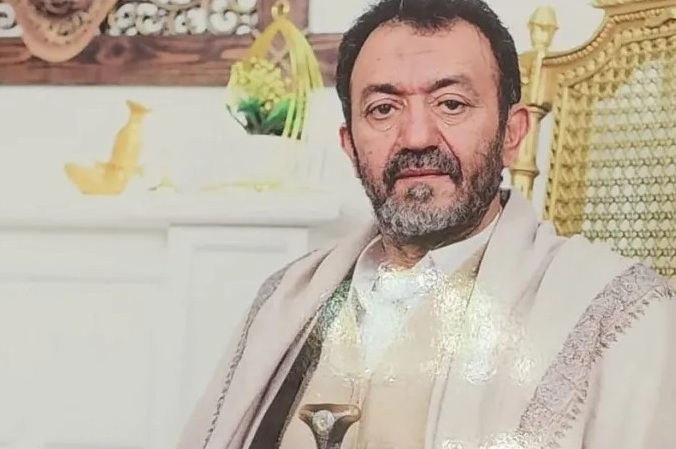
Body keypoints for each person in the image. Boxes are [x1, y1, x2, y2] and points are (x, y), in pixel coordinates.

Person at [177, 0, 676, 448]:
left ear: (512, 133)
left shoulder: (618, 316)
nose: (417, 137)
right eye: (383, 109)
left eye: (451, 104)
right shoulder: (285, 302)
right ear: (350, 147)